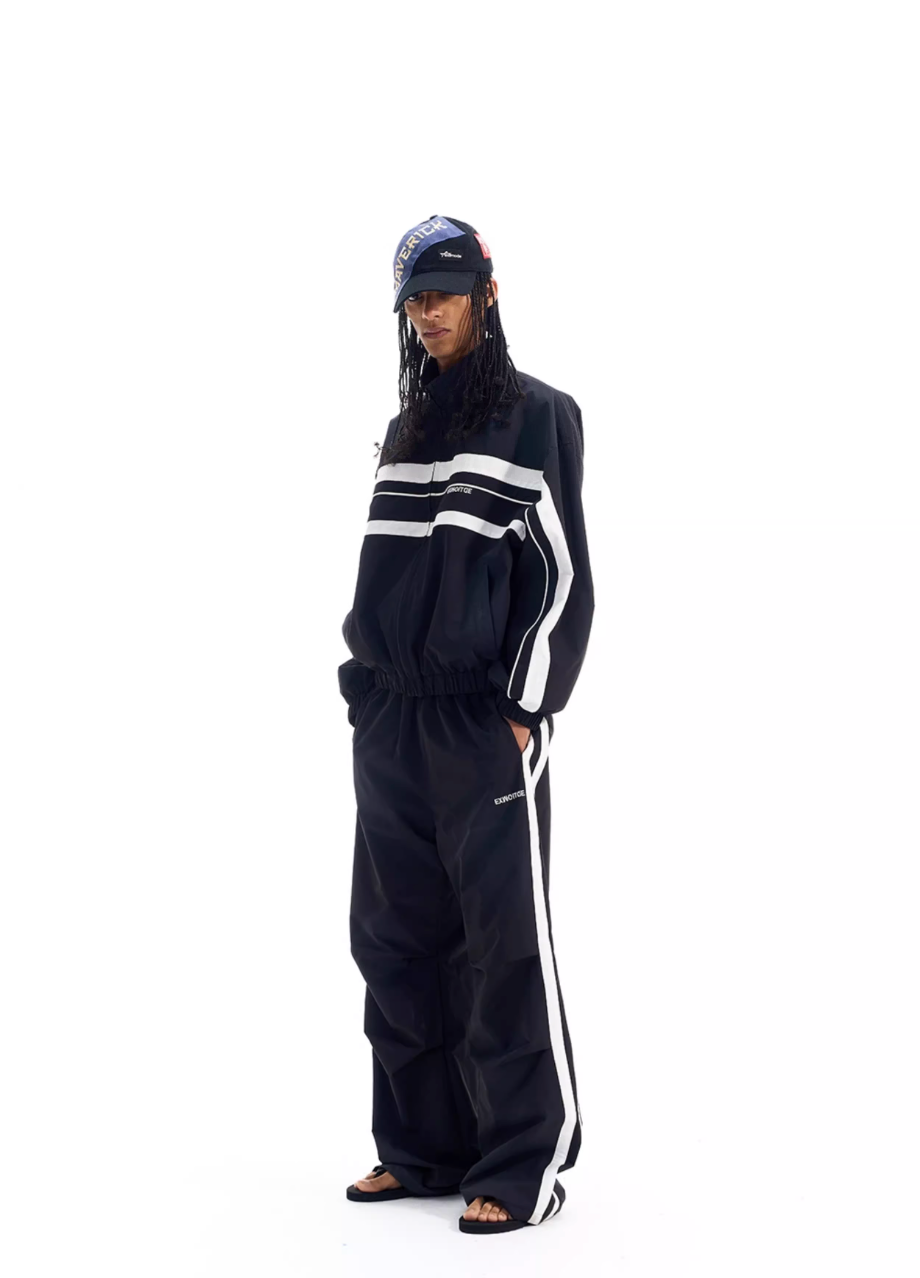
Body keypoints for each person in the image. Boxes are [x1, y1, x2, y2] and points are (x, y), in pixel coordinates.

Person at [338, 214, 595, 1234]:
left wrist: (524, 708)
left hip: (479, 722)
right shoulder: (409, 424)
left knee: (501, 945)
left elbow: (561, 577)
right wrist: (365, 696)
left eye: (444, 293)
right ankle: (422, 1148)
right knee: (393, 938)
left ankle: (523, 1164)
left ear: (486, 294)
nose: (428, 314)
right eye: (414, 299)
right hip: (391, 721)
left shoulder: (537, 415)